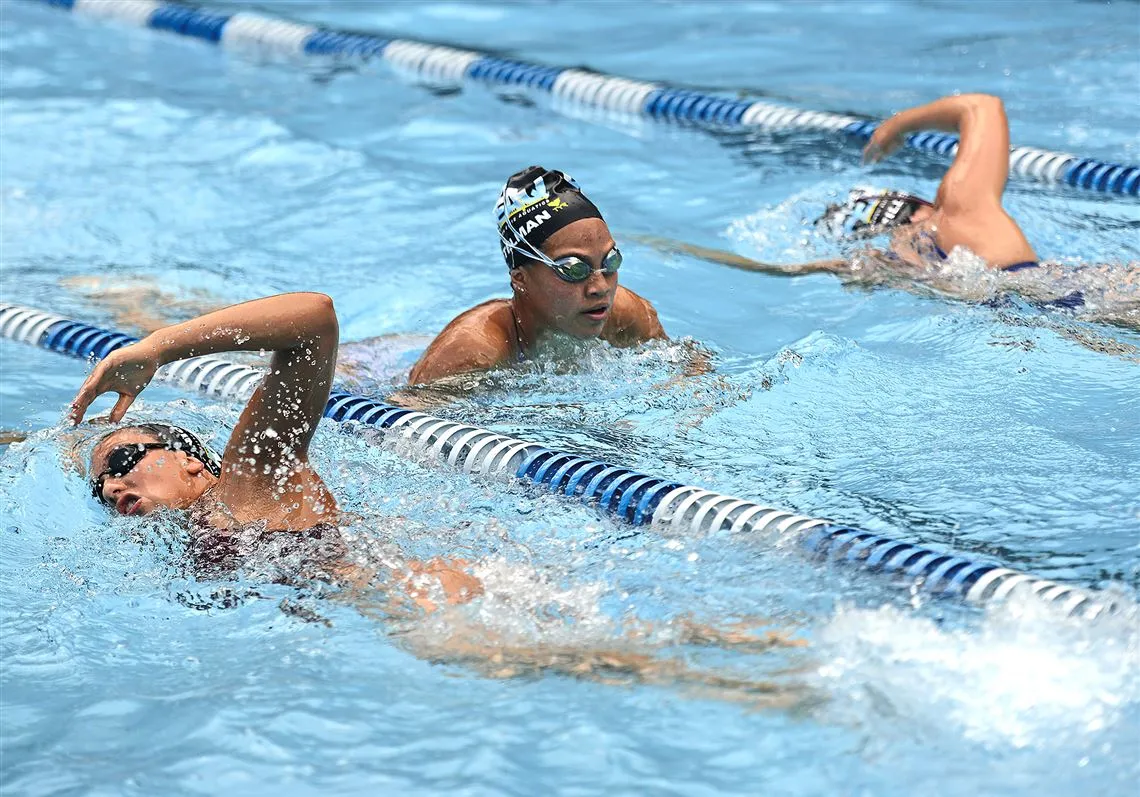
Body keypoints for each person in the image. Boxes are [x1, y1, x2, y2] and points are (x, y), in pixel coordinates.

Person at [65, 293, 804, 701]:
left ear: (195, 465)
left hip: (432, 601)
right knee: (659, 655)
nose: (114, 482)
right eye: (103, 486)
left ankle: (803, 672)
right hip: (421, 609)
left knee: (679, 672)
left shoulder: (253, 477)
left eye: (126, 456)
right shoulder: (193, 538)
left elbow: (314, 319)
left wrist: (158, 347)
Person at [639, 93, 1139, 331]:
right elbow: (981, 108)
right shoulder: (958, 213)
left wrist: (671, 246)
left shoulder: (888, 266)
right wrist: (898, 125)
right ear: (921, 208)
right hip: (1086, 301)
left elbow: (774, 270)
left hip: (1080, 320)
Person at [407, 166, 667, 384]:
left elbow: (692, 369)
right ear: (520, 279)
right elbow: (402, 424)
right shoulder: (473, 352)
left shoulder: (623, 315)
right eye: (573, 268)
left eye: (610, 262)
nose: (600, 287)